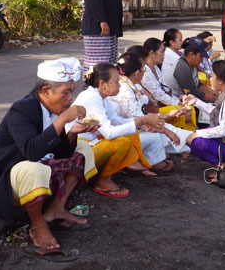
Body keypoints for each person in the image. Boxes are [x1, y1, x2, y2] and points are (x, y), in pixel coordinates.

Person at [0, 57, 97, 252]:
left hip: (39, 171)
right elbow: (32, 152)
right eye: (65, 93)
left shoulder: (52, 109)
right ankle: (37, 224)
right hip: (7, 182)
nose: (70, 99)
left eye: (71, 92)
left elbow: (59, 151)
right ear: (46, 91)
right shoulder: (22, 109)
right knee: (34, 168)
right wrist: (64, 118)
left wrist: (73, 132)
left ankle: (57, 208)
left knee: (83, 148)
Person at [69, 63, 167, 196]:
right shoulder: (92, 98)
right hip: (79, 150)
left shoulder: (101, 97)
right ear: (103, 84)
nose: (119, 85)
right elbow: (109, 133)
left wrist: (142, 121)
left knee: (130, 132)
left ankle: (130, 163)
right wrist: (142, 120)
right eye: (116, 82)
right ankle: (103, 181)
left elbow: (115, 121)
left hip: (91, 142)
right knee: (122, 140)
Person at [109, 53, 192, 164]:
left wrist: (168, 115)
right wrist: (167, 131)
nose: (145, 72)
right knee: (170, 135)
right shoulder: (124, 89)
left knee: (180, 135)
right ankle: (151, 162)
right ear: (137, 73)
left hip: (131, 127)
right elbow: (141, 121)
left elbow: (142, 117)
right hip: (123, 132)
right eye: (144, 69)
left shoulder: (127, 84)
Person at [141, 37, 197, 131]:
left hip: (162, 104)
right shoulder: (145, 72)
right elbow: (159, 95)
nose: (164, 55)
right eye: (162, 52)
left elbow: (165, 90)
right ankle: (185, 136)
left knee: (189, 108)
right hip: (153, 109)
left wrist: (181, 103)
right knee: (182, 111)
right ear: (152, 53)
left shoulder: (156, 68)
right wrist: (179, 104)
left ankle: (190, 136)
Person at [164, 38, 218, 103]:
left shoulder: (193, 65)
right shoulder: (182, 67)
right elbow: (190, 91)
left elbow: (197, 84)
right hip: (174, 101)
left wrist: (212, 92)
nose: (201, 60)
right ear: (192, 55)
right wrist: (210, 97)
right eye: (200, 57)